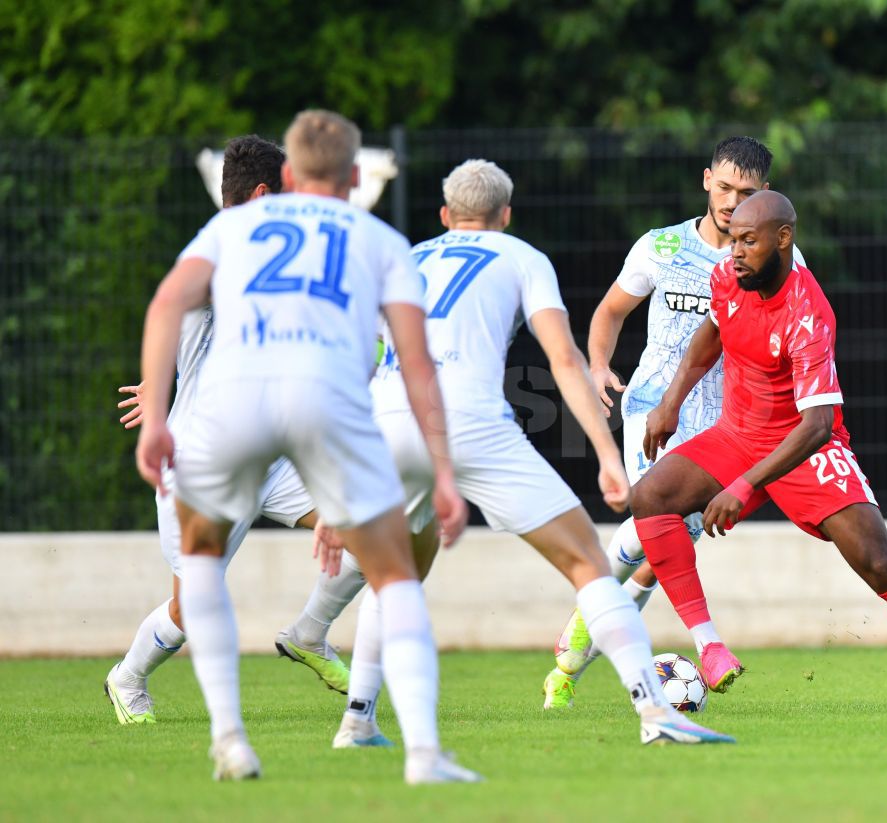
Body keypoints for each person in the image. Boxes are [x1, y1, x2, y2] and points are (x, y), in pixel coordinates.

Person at [326, 158, 735, 748]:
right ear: (507, 216)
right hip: (468, 421)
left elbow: (359, 356)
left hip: (389, 422)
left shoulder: (403, 258)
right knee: (589, 566)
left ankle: (358, 721)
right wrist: (605, 453)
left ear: (445, 215)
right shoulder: (521, 258)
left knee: (394, 575)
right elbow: (565, 359)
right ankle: (656, 713)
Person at [134, 109, 480, 783]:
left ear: (289, 174)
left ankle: (230, 738)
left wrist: (154, 417)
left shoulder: (232, 225)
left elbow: (167, 302)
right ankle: (422, 753)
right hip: (323, 403)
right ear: (355, 176)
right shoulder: (378, 239)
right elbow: (413, 361)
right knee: (394, 569)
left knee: (200, 564)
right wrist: (439, 466)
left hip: (232, 403)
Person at [630, 190, 887, 715]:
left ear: (783, 240)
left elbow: (819, 425)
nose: (734, 252)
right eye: (733, 240)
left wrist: (742, 486)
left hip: (803, 448)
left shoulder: (809, 312)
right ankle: (709, 645)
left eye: (749, 241)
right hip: (737, 434)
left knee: (879, 564)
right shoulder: (728, 279)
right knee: (651, 497)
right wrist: (671, 402)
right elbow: (710, 336)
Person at [105, 135, 365, 726]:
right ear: (265, 193)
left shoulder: (279, 251)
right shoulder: (212, 252)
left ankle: (310, 633)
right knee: (191, 606)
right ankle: (127, 677)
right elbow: (166, 311)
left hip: (272, 457)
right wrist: (159, 388)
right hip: (202, 458)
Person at [541, 137, 803, 707]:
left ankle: (572, 657)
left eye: (749, 193)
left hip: (725, 425)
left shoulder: (778, 259)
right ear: (706, 179)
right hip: (654, 411)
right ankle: (587, 626)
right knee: (647, 525)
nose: (735, 202)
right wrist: (599, 363)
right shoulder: (661, 246)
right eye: (727, 187)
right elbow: (611, 311)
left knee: (664, 553)